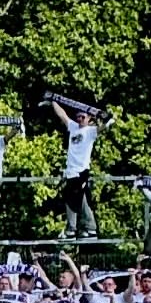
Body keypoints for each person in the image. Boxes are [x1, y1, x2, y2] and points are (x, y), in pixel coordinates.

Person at [50, 99, 100, 239]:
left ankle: (77, 228)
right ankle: (85, 228)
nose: (80, 119)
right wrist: (53, 100)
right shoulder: (73, 126)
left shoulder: (90, 131)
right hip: (71, 171)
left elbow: (104, 126)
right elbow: (62, 114)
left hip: (81, 171)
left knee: (74, 199)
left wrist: (107, 118)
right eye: (78, 117)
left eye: (83, 117)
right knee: (76, 198)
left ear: (89, 118)